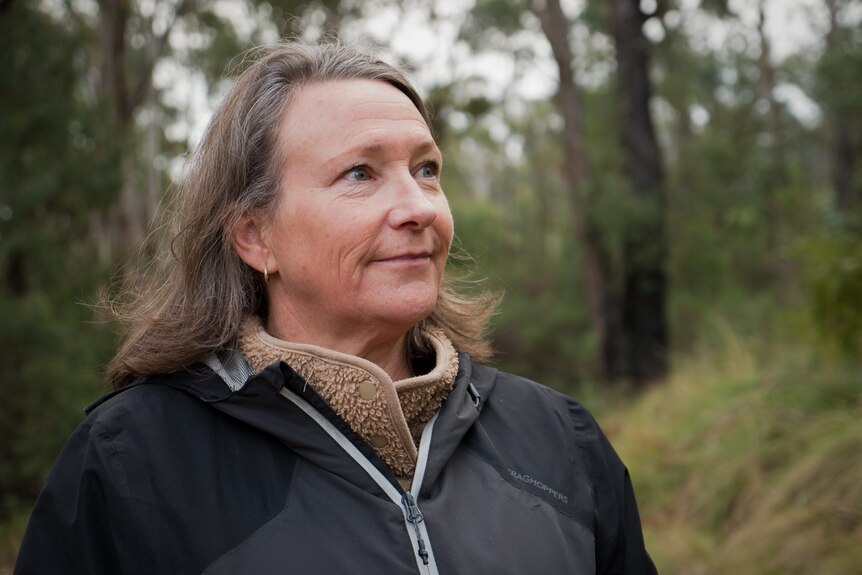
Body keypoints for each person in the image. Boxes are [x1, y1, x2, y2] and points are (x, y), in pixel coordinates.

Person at [14, 42, 657, 575]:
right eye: (360, 174)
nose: (419, 207)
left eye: (426, 169)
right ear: (255, 236)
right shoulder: (130, 466)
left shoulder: (560, 440)